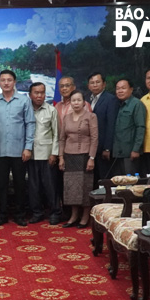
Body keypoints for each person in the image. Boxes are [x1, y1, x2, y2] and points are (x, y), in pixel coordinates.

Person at [0, 69, 35, 227]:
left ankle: (20, 214)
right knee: (1, 184)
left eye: (9, 80)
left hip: (19, 150)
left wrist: (28, 147)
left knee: (20, 184)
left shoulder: (23, 100)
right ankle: (1, 214)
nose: (6, 83)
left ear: (14, 82)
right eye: (3, 80)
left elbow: (30, 124)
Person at [59, 90, 98, 228]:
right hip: (69, 156)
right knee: (71, 188)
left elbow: (94, 138)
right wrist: (61, 157)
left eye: (78, 100)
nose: (76, 103)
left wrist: (91, 157)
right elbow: (62, 139)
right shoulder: (67, 117)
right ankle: (73, 216)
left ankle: (85, 216)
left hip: (85, 155)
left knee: (84, 187)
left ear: (83, 102)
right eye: (73, 100)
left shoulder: (91, 116)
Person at [26, 82, 62, 225]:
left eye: (42, 92)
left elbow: (56, 134)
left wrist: (54, 154)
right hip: (30, 154)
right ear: (30, 95)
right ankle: (37, 212)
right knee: (33, 186)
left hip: (47, 155)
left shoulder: (51, 110)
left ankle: (55, 212)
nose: (39, 95)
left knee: (50, 185)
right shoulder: (26, 109)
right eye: (36, 93)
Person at [88, 72, 119, 179]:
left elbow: (111, 124)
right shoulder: (88, 100)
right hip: (91, 149)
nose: (95, 85)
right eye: (92, 83)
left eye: (97, 82)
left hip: (103, 148)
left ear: (104, 84)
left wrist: (107, 148)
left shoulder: (111, 99)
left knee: (104, 178)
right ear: (88, 86)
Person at [113, 79, 146, 175]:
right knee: (119, 183)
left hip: (130, 152)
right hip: (118, 152)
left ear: (131, 89)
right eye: (118, 89)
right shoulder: (117, 104)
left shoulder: (137, 104)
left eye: (123, 88)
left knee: (130, 182)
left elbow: (140, 127)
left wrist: (136, 149)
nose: (120, 91)